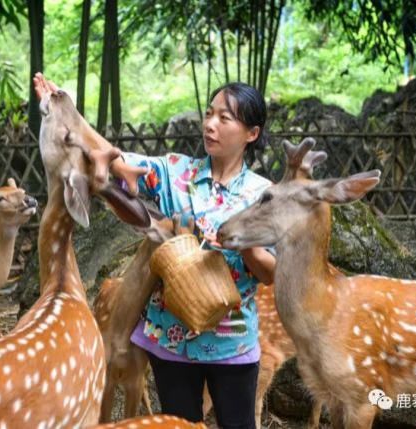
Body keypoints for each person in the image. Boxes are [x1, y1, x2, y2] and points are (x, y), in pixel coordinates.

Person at [35, 74, 276, 429]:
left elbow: (271, 273)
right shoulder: (177, 172)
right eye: (209, 114)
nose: (210, 124)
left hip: (233, 345)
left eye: (224, 119)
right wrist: (63, 110)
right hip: (171, 342)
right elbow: (116, 160)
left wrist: (245, 242)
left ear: (251, 133)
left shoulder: (263, 194)